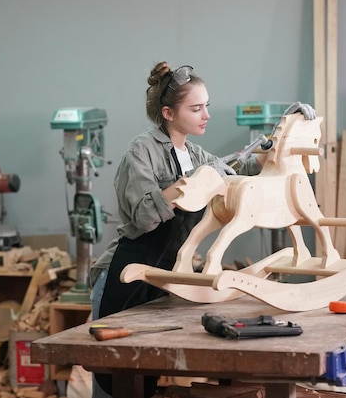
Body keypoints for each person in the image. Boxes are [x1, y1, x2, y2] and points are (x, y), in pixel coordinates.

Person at [89, 61, 316, 398]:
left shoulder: (194, 153)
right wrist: (186, 188)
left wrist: (285, 129)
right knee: (114, 382)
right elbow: (141, 217)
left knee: (143, 380)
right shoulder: (142, 151)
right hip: (123, 274)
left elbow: (240, 165)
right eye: (196, 108)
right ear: (168, 112)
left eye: (206, 105)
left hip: (162, 279)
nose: (206, 114)